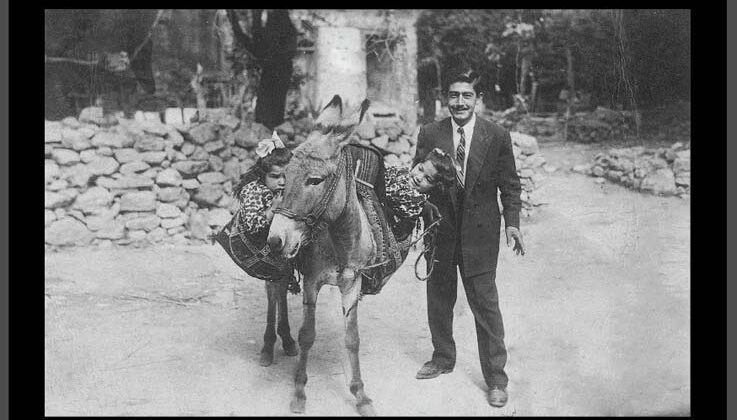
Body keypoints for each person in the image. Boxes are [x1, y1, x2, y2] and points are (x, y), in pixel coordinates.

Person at [412, 70, 526, 408]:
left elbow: (510, 184)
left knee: (485, 305)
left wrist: (512, 223)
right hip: (441, 231)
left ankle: (496, 379)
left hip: (480, 235)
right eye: (454, 95)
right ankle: (443, 358)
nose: (460, 102)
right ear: (445, 98)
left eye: (467, 96)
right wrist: (418, 216)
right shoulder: (430, 132)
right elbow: (418, 177)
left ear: (478, 100)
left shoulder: (497, 135)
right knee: (439, 297)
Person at [228, 132, 299, 366]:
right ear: (263, 175)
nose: (281, 182)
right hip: (257, 244)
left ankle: (283, 332)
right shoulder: (253, 191)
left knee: (282, 285)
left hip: (280, 244)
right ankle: (271, 338)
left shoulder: (286, 189)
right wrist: (274, 208)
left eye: (285, 177)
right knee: (274, 291)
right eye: (275, 176)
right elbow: (255, 226)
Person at [383, 148, 456, 241]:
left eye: (428, 179)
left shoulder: (416, 204)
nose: (419, 177)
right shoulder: (397, 173)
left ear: (435, 187)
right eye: (420, 169)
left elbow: (392, 196)